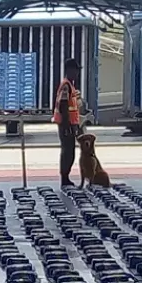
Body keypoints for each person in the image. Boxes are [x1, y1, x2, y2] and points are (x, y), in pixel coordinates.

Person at [53, 59, 84, 187]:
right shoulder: (66, 85)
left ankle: (66, 177)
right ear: (69, 70)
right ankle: (64, 178)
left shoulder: (70, 85)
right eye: (76, 71)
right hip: (66, 124)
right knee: (68, 152)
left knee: (69, 151)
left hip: (70, 124)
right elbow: (63, 105)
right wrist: (67, 126)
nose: (77, 73)